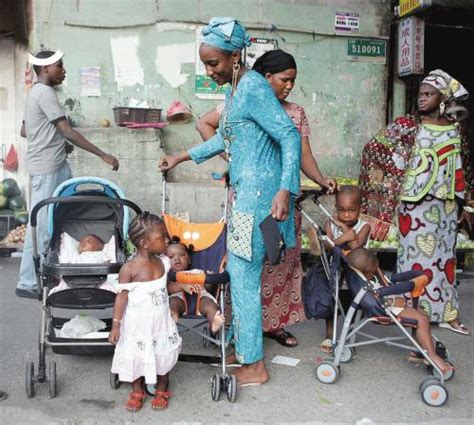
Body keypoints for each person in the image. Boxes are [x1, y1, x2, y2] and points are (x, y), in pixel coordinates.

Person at [159, 17, 301, 386]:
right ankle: (244, 348)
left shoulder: (253, 88)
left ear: (236, 57)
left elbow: (289, 135)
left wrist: (286, 189)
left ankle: (254, 365)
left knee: (243, 276)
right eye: (205, 63)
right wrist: (180, 157)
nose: (209, 71)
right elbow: (223, 141)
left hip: (258, 202)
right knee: (240, 276)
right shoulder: (234, 92)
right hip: (245, 198)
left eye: (214, 63)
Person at [197, 49, 337, 347]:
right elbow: (205, 125)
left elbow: (303, 154)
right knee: (243, 265)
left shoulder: (295, 112)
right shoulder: (242, 101)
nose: (289, 86)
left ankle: (274, 325)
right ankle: (240, 330)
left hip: (281, 202)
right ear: (266, 77)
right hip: (250, 199)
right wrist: (234, 160)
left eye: (293, 81)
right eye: (284, 79)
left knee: (279, 264)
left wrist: (321, 179)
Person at [16, 49, 119, 299]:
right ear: (46, 69)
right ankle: (27, 282)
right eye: (60, 66)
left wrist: (55, 142)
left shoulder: (36, 94)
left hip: (54, 163)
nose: (63, 71)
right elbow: (68, 131)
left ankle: (48, 272)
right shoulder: (45, 92)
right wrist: (103, 154)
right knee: (40, 224)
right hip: (47, 168)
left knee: (55, 219)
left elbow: (25, 130)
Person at [390, 70, 472, 335]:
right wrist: (392, 184)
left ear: (443, 97)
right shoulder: (408, 125)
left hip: (446, 206)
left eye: (429, 94)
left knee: (445, 260)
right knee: (413, 260)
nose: (422, 99)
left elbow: (466, 168)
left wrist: (468, 205)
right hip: (414, 206)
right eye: (420, 94)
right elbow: (377, 150)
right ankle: (411, 312)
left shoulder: (456, 128)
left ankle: (448, 313)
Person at [109, 212, 181, 412]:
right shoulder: (129, 269)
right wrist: (116, 324)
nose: (167, 240)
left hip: (160, 322)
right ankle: (137, 391)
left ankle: (163, 388)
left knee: (162, 355)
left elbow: (163, 289)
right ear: (145, 243)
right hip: (136, 325)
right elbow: (122, 297)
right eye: (162, 237)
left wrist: (182, 286)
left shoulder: (163, 262)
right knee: (136, 356)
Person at [348, 247, 453, 375]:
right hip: (387, 309)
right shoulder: (369, 286)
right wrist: (403, 293)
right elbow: (379, 295)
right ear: (366, 272)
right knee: (421, 320)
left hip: (392, 304)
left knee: (421, 313)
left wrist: (414, 274)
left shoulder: (372, 276)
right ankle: (431, 356)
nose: (377, 270)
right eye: (374, 269)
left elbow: (389, 280)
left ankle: (420, 349)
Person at [320, 185, 371, 353]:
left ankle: (350, 334)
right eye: (341, 210)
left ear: (360, 209)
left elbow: (356, 245)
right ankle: (330, 335)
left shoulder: (365, 226)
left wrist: (344, 229)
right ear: (336, 208)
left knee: (355, 302)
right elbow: (328, 248)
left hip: (356, 270)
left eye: (351, 210)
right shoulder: (329, 223)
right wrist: (344, 237)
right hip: (335, 267)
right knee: (332, 300)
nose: (346, 215)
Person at [166, 241, 225, 333]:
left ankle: (214, 319)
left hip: (201, 296)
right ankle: (173, 314)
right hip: (179, 298)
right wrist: (181, 286)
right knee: (173, 302)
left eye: (181, 255)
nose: (177, 259)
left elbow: (208, 288)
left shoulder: (197, 272)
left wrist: (210, 280)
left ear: (189, 259)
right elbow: (169, 289)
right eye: (171, 257)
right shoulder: (168, 276)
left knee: (209, 305)